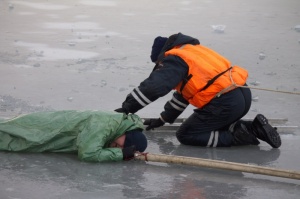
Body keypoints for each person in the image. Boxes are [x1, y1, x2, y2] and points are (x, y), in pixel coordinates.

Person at [115, 32, 281, 148]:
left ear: (162, 55)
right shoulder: (193, 52)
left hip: (224, 103)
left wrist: (126, 109)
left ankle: (239, 135)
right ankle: (255, 127)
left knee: (187, 134)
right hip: (242, 94)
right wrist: (163, 118)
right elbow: (185, 95)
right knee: (211, 124)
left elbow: (154, 87)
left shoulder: (175, 59)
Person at [0, 110, 147, 162]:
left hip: (52, 130)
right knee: (12, 134)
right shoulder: (106, 125)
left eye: (123, 148)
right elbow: (88, 153)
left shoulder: (118, 127)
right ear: (127, 134)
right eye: (124, 144)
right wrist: (120, 155)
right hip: (45, 129)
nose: (120, 147)